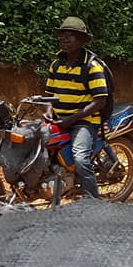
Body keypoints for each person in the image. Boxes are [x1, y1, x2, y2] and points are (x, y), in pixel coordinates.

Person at [44, 16, 108, 198]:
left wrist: (71, 119)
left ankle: (92, 202)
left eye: (70, 35)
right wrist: (48, 111)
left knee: (80, 159)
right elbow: (49, 95)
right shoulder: (56, 65)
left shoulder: (92, 66)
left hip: (84, 122)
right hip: (59, 120)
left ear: (81, 40)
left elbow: (100, 101)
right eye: (62, 34)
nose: (64, 38)